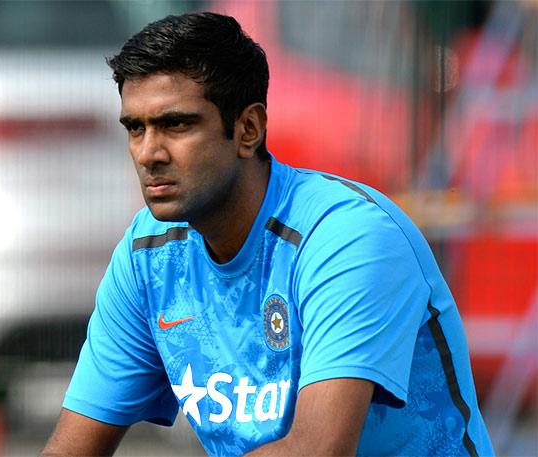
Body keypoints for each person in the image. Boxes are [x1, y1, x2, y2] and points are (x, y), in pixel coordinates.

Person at [42, 12, 494, 457]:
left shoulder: (347, 237)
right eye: (135, 128)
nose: (148, 153)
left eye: (177, 124)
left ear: (248, 129)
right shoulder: (148, 254)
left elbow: (318, 451)